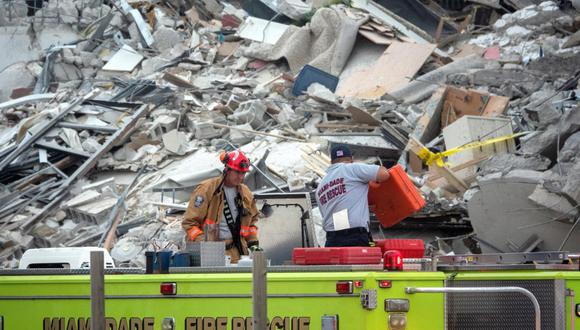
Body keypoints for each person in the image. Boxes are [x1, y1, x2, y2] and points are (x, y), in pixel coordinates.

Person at [182, 150, 260, 263]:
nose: (241, 177)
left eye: (243, 173)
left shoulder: (245, 193)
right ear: (227, 169)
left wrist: (253, 243)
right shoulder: (206, 189)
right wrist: (206, 244)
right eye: (237, 172)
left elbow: (251, 224)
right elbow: (189, 224)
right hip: (209, 255)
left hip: (237, 253)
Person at [315, 144, 390, 247]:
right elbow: (384, 174)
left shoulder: (321, 186)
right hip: (355, 237)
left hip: (332, 240)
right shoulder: (352, 168)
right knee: (362, 262)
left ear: (332, 162)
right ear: (351, 159)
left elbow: (341, 208)